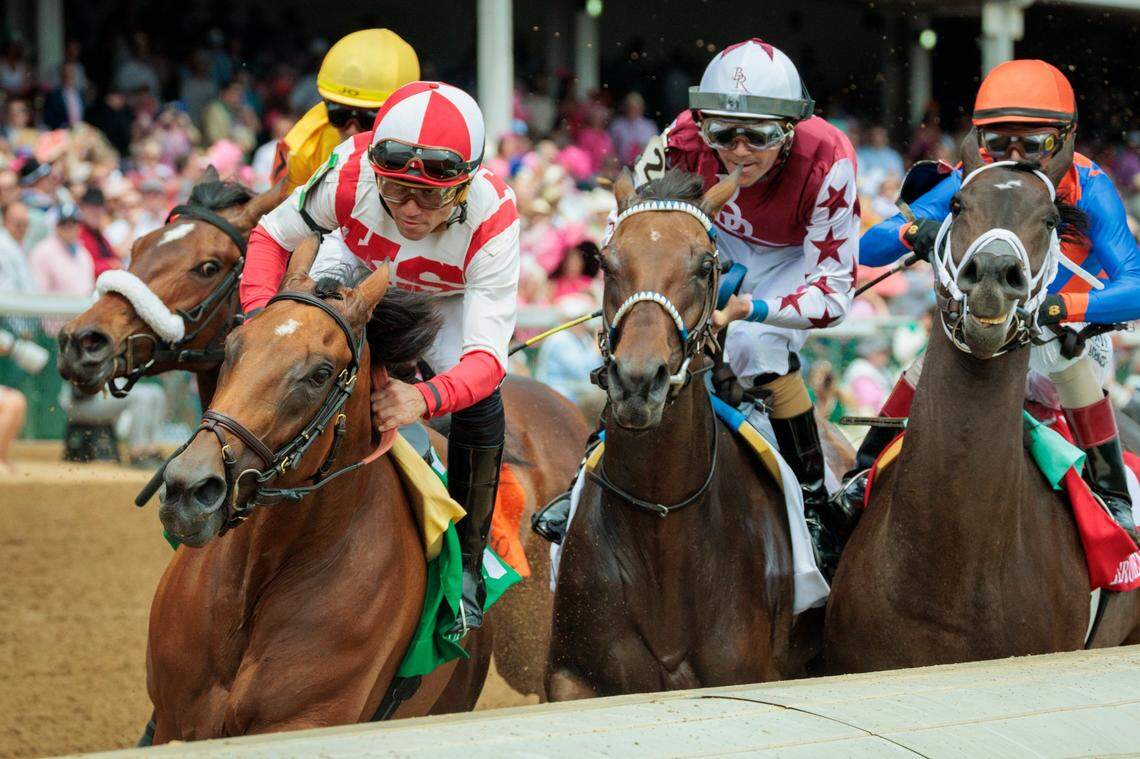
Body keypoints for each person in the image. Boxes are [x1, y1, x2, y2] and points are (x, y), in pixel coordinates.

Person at [533, 39, 860, 574]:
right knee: (646, 338)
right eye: (722, 134)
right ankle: (586, 476)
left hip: (793, 256)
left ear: (790, 130)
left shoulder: (829, 159)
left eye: (758, 136)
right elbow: (628, 239)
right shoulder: (679, 139)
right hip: (708, 238)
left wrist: (747, 309)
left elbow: (834, 295)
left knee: (755, 346)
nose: (737, 150)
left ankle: (816, 505)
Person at [242, 80, 519, 639]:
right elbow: (270, 238)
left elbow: (487, 363)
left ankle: (466, 565)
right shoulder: (348, 173)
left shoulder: (495, 216)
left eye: (431, 196)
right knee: (293, 350)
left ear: (465, 185)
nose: (410, 210)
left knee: (482, 405)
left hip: (447, 297)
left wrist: (422, 397)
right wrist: (260, 323)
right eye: (395, 190)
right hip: (358, 262)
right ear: (375, 170)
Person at [851, 59, 1140, 534]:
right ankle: (861, 473)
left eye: (1034, 144)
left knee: (1058, 352)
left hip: (1067, 331)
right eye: (997, 141)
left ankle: (1114, 497)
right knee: (936, 353)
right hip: (986, 320)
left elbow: (1133, 285)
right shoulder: (972, 177)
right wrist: (911, 232)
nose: (1013, 155)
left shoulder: (1090, 186)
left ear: (1065, 139)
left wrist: (1060, 308)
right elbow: (866, 246)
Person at [270, 29, 420, 194]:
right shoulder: (303, 146)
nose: (351, 129)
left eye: (368, 117)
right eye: (339, 114)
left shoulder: (434, 153)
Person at [28, 206, 93, 295]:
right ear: (56, 226)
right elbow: (38, 292)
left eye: (73, 223)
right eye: (64, 223)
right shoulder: (42, 252)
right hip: (55, 308)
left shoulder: (82, 252)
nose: (68, 227)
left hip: (83, 306)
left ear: (79, 227)